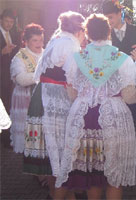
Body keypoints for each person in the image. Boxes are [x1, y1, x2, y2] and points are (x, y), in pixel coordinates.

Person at [55, 13, 136, 199]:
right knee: (113, 176)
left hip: (83, 116)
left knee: (92, 174)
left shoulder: (76, 58)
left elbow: (72, 94)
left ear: (87, 33)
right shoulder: (123, 59)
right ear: (109, 32)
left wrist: (88, 95)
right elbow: (129, 96)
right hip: (113, 117)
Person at [23, 11, 85, 199]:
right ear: (79, 30)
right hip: (55, 101)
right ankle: (59, 195)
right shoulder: (70, 45)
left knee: (51, 157)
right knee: (60, 153)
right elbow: (75, 80)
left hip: (42, 96)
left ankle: (61, 195)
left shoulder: (56, 40)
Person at [102, 0, 136, 146]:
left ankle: (134, 157)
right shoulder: (104, 35)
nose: (108, 21)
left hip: (134, 86)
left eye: (111, 17)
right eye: (106, 18)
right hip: (113, 88)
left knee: (135, 125)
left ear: (120, 13)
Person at [9, 23, 44, 154]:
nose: (39, 43)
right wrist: (43, 75)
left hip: (42, 100)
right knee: (28, 137)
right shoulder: (19, 57)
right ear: (26, 41)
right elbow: (22, 80)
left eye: (41, 39)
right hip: (25, 100)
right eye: (35, 40)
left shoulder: (46, 54)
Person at [0, 8, 20, 146]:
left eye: (11, 22)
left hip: (8, 77)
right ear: (1, 20)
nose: (8, 25)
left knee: (7, 106)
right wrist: (2, 51)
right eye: (6, 21)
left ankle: (6, 139)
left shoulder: (13, 33)